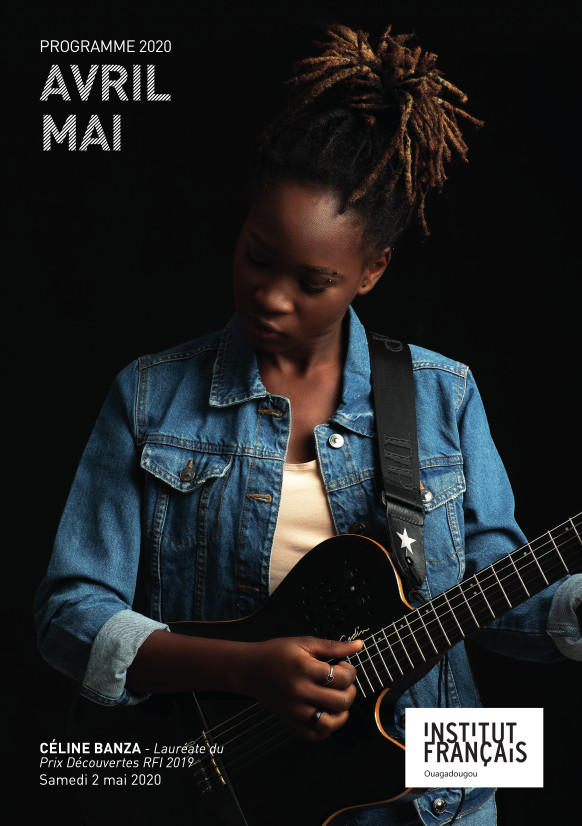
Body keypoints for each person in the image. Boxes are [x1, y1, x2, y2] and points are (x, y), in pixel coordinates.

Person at [35, 23, 581, 826]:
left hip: (436, 791)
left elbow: (492, 596)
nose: (272, 296)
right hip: (230, 788)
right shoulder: (148, 397)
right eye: (258, 257)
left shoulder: (445, 394)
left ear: (372, 270)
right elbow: (69, 615)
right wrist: (245, 669)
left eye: (312, 280)